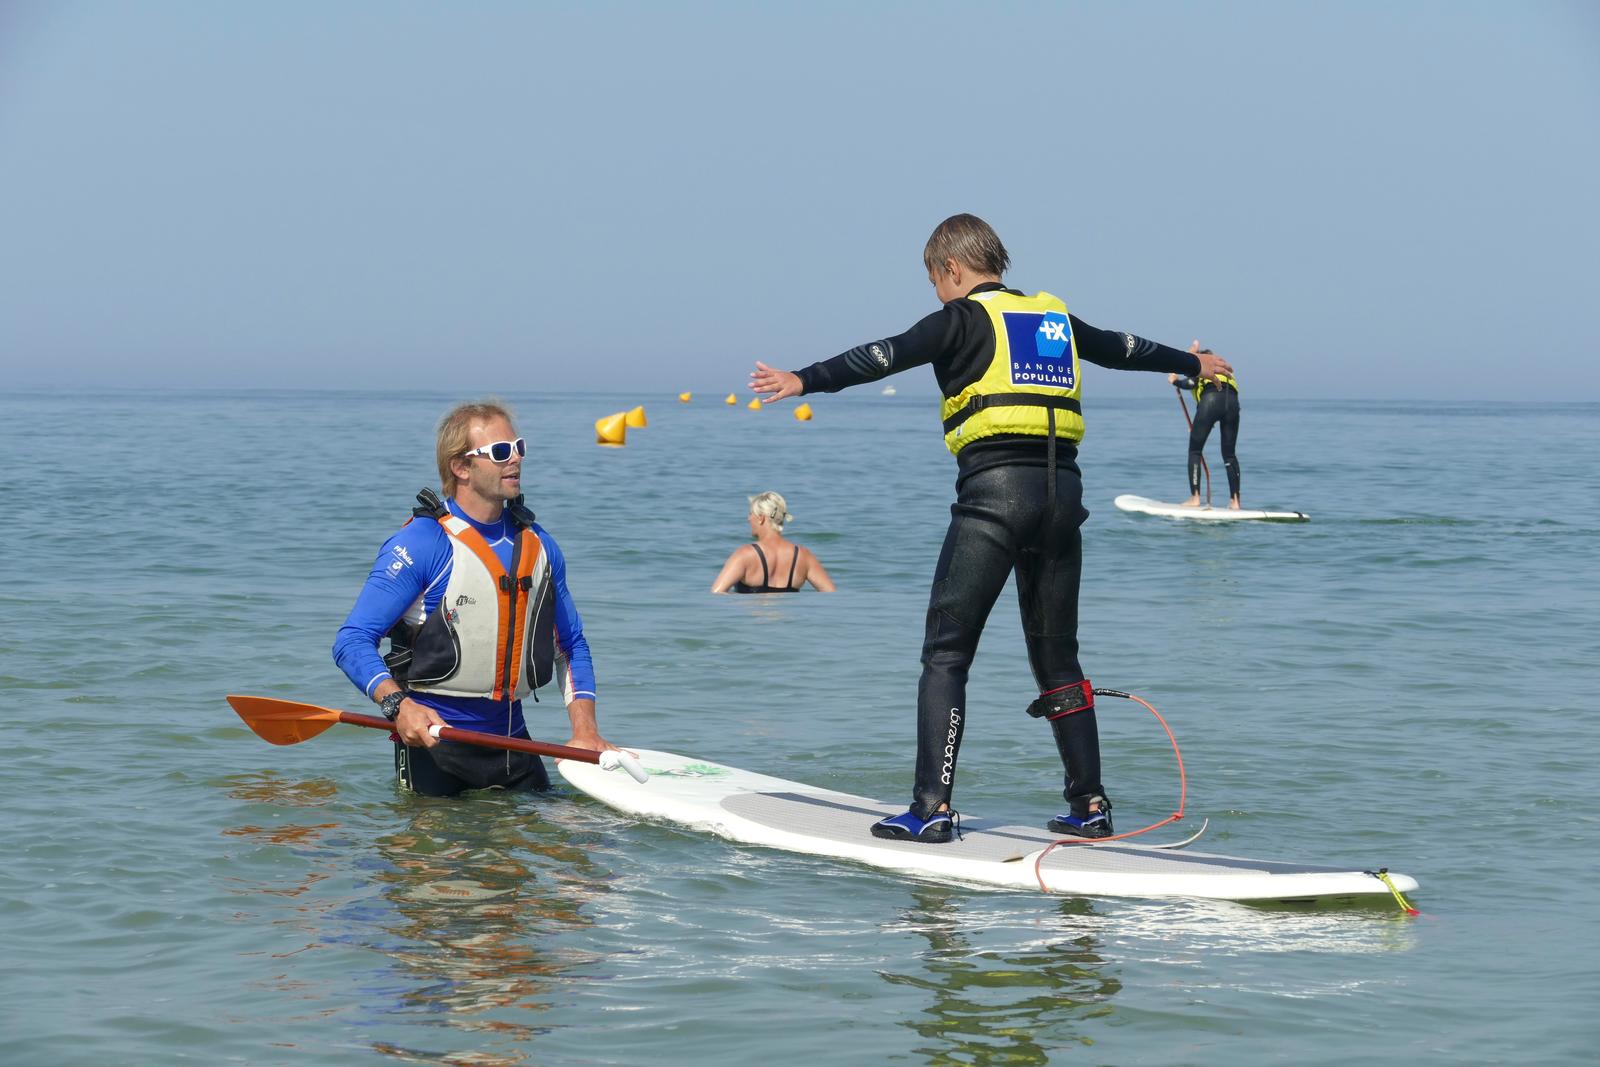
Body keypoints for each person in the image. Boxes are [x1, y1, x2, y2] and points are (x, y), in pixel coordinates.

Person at [749, 214, 1233, 843]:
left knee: (946, 654)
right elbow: (1123, 347)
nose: (937, 295)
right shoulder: (1051, 316)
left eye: (935, 282)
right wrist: (1191, 363)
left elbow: (883, 355)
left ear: (951, 269)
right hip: (1062, 498)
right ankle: (1090, 806)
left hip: (995, 499)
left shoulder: (960, 318)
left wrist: (803, 379)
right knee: (1059, 656)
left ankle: (932, 809)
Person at [333, 400, 617, 797]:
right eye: (500, 452)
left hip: (513, 743)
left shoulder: (539, 546)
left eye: (518, 447)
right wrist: (398, 705)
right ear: (461, 467)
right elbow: (351, 641)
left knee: (572, 850)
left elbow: (571, 645)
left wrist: (585, 731)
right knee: (438, 858)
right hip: (434, 746)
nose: (514, 460)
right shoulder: (423, 544)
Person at [710, 491, 836, 594]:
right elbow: (830, 592)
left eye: (750, 514)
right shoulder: (803, 556)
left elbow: (717, 594)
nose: (748, 518)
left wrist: (740, 603)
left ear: (761, 518)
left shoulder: (745, 555)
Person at [1168, 340, 1242, 508]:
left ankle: (1195, 498)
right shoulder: (1221, 368)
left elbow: (1191, 383)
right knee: (1229, 455)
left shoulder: (1201, 366)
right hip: (1232, 402)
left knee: (1195, 450)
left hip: (1210, 402)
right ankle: (1235, 502)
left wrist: (1175, 381)